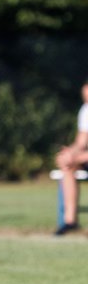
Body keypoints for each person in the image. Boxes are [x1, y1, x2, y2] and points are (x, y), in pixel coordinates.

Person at [53, 78, 88, 235]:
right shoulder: (86, 111)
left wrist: (80, 158)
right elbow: (81, 142)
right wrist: (69, 154)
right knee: (68, 166)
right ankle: (70, 221)